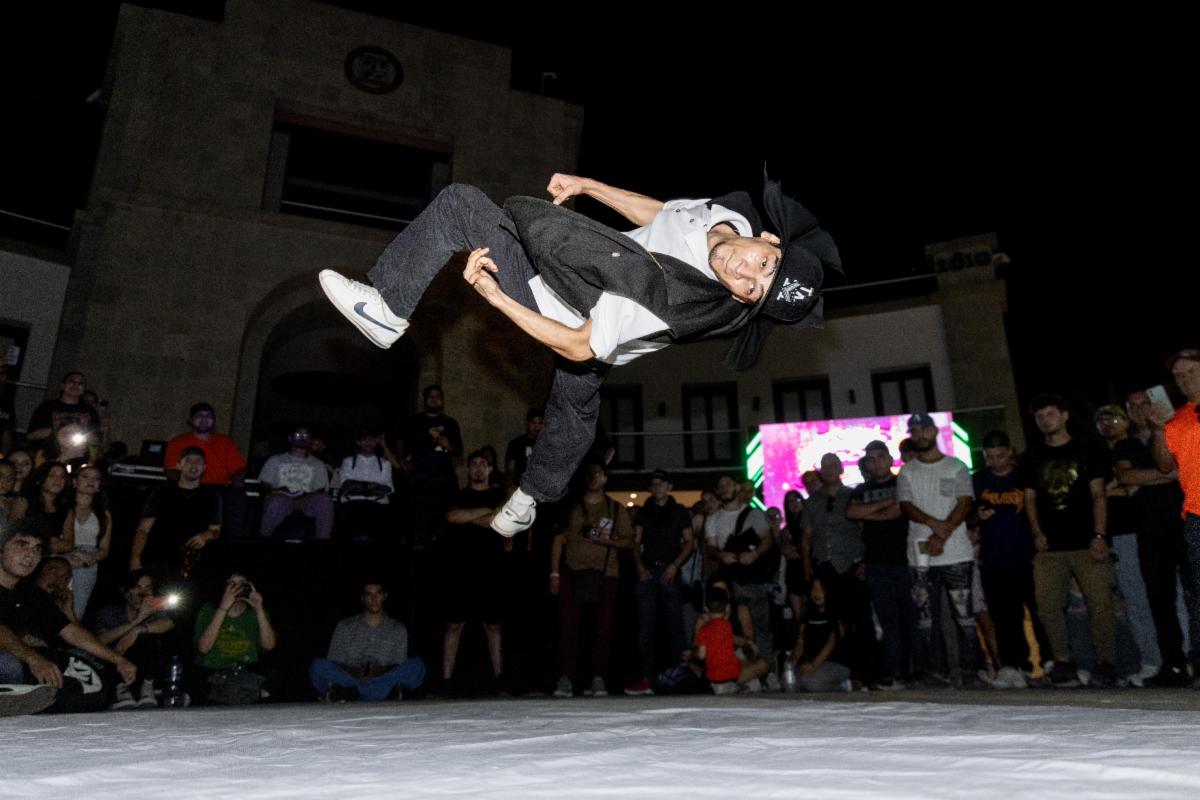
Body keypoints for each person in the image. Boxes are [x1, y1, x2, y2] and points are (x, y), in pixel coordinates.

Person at [319, 174, 840, 537]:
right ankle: (529, 498)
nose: (744, 275)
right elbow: (665, 214)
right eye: (762, 265)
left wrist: (497, 298)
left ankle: (387, 308)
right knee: (575, 404)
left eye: (752, 290)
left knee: (462, 209)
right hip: (599, 306)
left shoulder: (670, 300)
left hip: (576, 316)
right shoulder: (728, 216)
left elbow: (577, 344)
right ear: (768, 239)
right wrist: (590, 187)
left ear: (744, 303)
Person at [1, 522, 138, 713]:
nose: (30, 554)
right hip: (10, 661)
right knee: (10, 665)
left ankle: (27, 701)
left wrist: (117, 660)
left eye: (37, 549)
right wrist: (34, 659)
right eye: (21, 545)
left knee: (94, 686)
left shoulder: (30, 593)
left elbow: (70, 631)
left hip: (20, 659)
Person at [549, 462, 634, 697]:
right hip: (572, 571)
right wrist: (554, 573)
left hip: (605, 573)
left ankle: (598, 678)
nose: (593, 477)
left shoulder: (615, 508)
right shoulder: (571, 507)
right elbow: (559, 540)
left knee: (602, 628)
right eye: (590, 474)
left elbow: (630, 541)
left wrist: (607, 541)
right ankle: (565, 678)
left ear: (605, 478)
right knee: (568, 627)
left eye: (598, 473)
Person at [625, 469, 693, 696]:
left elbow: (689, 542)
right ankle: (646, 678)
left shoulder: (679, 511)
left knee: (676, 626)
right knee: (645, 628)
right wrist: (639, 567)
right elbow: (636, 542)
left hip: (669, 571)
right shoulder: (644, 512)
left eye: (661, 483)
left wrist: (675, 565)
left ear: (669, 487)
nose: (657, 487)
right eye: (653, 484)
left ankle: (681, 676)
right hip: (647, 571)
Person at [309, 581, 425, 701]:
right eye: (369, 594)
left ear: (385, 596)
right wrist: (355, 671)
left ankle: (352, 693)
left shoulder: (398, 629)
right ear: (363, 598)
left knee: (417, 665)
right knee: (318, 666)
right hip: (350, 679)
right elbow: (335, 661)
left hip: (382, 678)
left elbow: (399, 664)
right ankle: (377, 693)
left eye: (378, 593)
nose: (374, 599)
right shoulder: (345, 626)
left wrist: (377, 671)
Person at [95, 570, 177, 709]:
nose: (143, 593)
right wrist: (136, 620)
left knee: (150, 634)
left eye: (148, 588)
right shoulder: (109, 613)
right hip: (115, 666)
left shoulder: (156, 612)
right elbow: (99, 641)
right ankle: (120, 689)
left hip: (144, 666)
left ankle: (148, 684)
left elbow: (170, 623)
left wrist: (138, 629)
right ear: (125, 591)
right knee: (112, 642)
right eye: (138, 587)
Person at [193, 573, 277, 704]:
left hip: (246, 671)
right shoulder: (209, 609)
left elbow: (269, 645)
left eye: (242, 584)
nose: (238, 589)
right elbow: (203, 648)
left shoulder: (255, 612)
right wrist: (223, 608)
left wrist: (259, 609)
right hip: (213, 673)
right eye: (232, 585)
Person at [52, 464, 112, 620]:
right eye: (85, 476)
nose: (91, 481)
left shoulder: (104, 514)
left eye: (96, 478)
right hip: (62, 557)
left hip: (88, 562)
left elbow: (104, 549)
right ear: (74, 481)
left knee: (76, 610)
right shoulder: (62, 507)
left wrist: (91, 558)